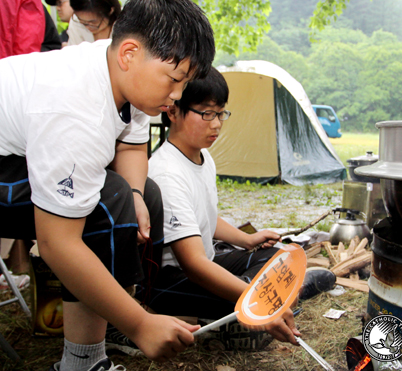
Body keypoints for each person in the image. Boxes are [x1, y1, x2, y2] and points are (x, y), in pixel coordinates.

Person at [0, 1, 215, 371]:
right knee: (107, 204)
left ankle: (112, 310)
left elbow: (131, 143)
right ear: (130, 54)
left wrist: (135, 195)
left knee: (140, 193)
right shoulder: (74, 108)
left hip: (19, 152)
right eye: (174, 80)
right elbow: (55, 244)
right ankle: (84, 359)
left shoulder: (118, 66)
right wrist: (140, 325)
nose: (178, 95)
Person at [118, 68, 336, 353]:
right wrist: (254, 294)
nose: (217, 124)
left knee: (277, 256)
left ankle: (266, 301)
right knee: (248, 290)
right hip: (171, 282)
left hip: (206, 262)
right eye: (207, 114)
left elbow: (203, 217)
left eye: (221, 114)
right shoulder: (167, 173)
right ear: (173, 111)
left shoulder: (204, 157)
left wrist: (245, 240)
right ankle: (270, 301)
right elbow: (195, 266)